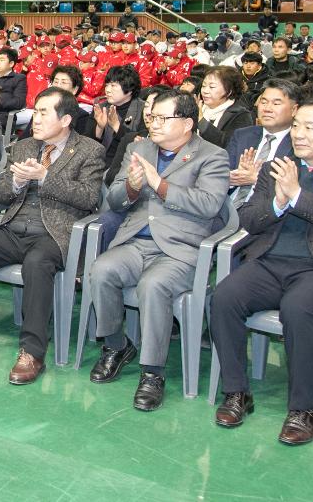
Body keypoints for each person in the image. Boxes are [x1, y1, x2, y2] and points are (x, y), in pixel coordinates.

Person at [209, 101, 313, 446]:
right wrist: (278, 203)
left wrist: (297, 195)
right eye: (296, 125)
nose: (298, 134)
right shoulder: (276, 167)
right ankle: (237, 392)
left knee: (298, 310)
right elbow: (251, 220)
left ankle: (302, 410)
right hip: (270, 262)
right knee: (224, 296)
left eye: (310, 127)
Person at [0, 88, 106, 383]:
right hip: (15, 227)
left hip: (54, 234)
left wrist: (46, 177)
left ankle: (32, 351)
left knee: (37, 263)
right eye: (35, 111)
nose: (35, 119)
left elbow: (89, 198)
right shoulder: (24, 146)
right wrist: (15, 181)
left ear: (65, 119)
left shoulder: (90, 150)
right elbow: (0, 194)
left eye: (43, 113)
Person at [84, 89, 231, 411]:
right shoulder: (139, 148)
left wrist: (160, 185)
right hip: (136, 240)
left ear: (188, 123)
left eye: (164, 118)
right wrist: (134, 187)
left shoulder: (212, 156)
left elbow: (208, 205)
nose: (155, 123)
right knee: (102, 270)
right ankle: (115, 345)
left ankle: (153, 372)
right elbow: (114, 200)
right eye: (153, 117)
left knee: (154, 285)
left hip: (181, 248)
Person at [225, 79, 300, 204]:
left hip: (267, 213)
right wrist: (234, 177)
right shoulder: (243, 135)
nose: (267, 109)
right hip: (227, 207)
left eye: (276, 104)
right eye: (263, 102)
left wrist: (257, 179)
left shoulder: (298, 143)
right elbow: (220, 172)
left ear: (294, 110)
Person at [198, 65, 253, 148]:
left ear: (229, 91)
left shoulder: (241, 115)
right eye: (203, 86)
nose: (205, 91)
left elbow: (230, 145)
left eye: (212, 87)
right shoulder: (200, 107)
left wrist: (201, 121)